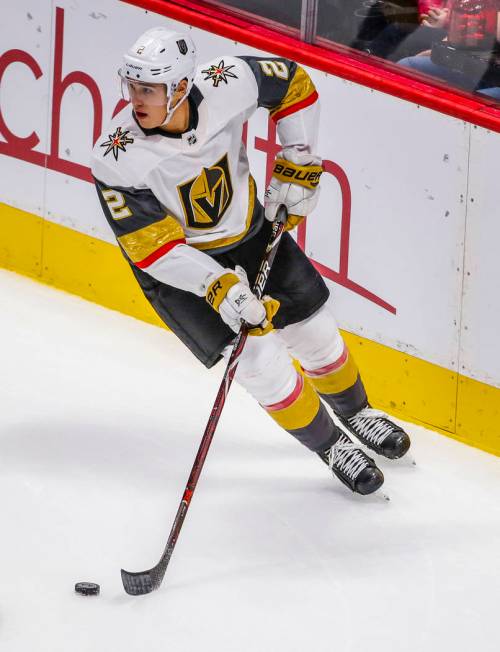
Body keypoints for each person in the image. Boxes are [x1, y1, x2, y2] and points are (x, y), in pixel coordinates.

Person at [91, 27, 411, 497]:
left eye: (149, 89)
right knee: (259, 362)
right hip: (181, 268)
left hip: (249, 233)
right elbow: (151, 248)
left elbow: (295, 86)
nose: (136, 99)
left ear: (180, 86)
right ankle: (330, 446)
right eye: (132, 86)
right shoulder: (117, 156)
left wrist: (299, 161)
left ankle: (358, 413)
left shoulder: (228, 80)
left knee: (315, 330)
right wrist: (216, 285)